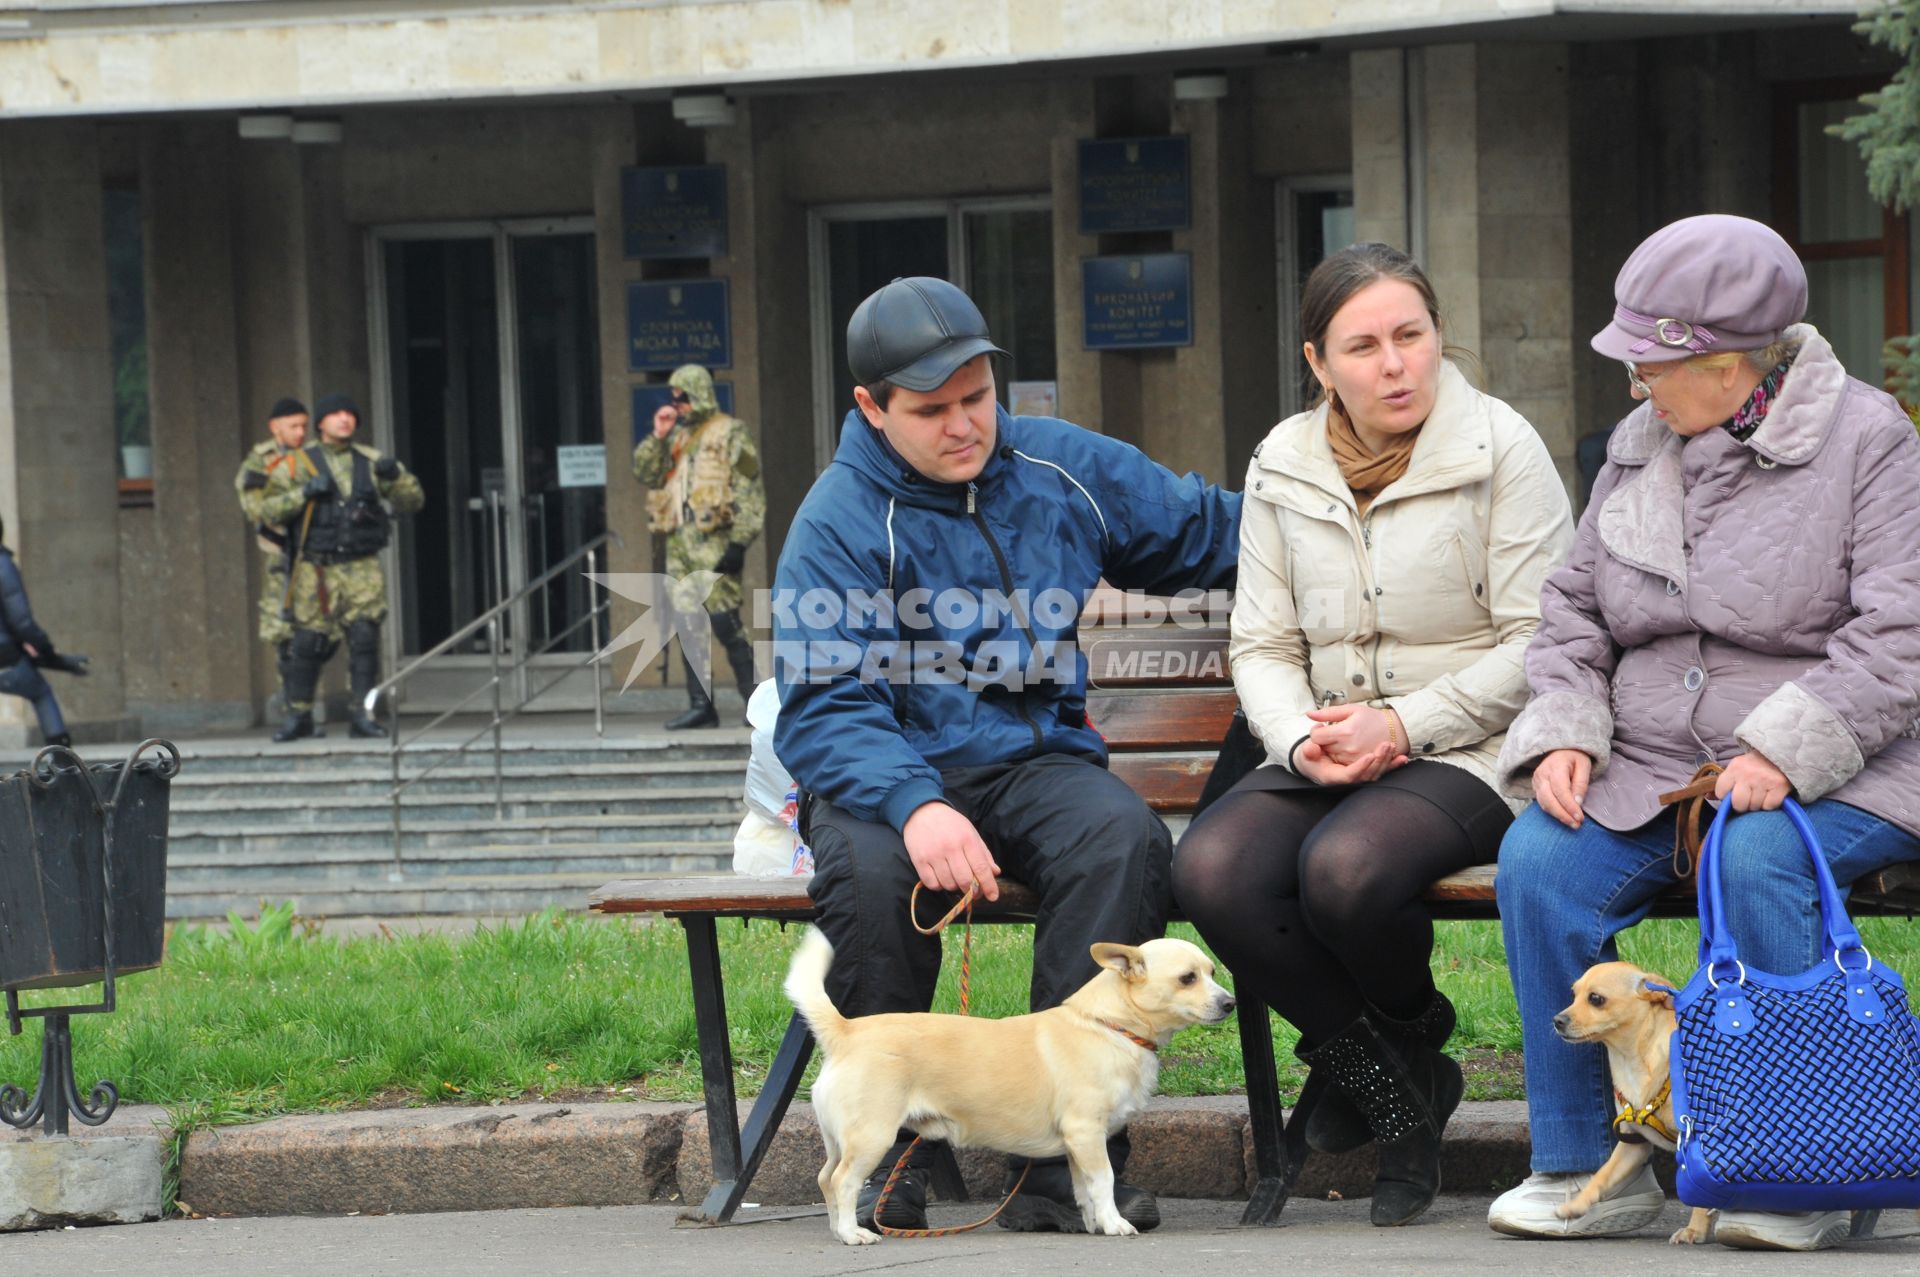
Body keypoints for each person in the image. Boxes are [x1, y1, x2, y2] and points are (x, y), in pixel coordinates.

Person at [1486, 214, 1920, 1252]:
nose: (1635, 386)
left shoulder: (1870, 440)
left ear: (1726, 366)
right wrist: (1567, 732)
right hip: (1652, 764)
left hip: (1843, 763)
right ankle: (1592, 1161)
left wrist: (1785, 749)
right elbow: (1573, 613)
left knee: (1759, 851)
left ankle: (1804, 1160)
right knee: (1540, 859)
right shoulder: (1638, 451)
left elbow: (1900, 631)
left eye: (1650, 364)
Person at [773, 276, 1241, 1235]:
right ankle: (897, 1158)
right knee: (869, 877)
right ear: (871, 407)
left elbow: (1208, 530)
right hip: (887, 774)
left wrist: (1345, 497)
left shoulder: (1059, 463)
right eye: (931, 409)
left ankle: (1073, 1167)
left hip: (1035, 761)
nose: (963, 425)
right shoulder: (835, 520)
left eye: (977, 397)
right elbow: (823, 704)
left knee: (1121, 836)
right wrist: (914, 802)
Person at [1170, 243, 1575, 1227]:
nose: (1395, 363)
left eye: (1412, 335)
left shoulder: (1500, 446)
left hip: (1473, 744)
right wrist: (1299, 741)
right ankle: (1405, 1072)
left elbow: (1541, 641)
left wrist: (1405, 722)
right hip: (1332, 736)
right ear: (1320, 362)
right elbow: (1261, 641)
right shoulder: (1284, 460)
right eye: (1365, 345)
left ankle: (1403, 1056)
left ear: (1438, 337)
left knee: (1343, 868)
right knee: (1210, 869)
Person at [257, 393, 425, 742]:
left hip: (361, 567)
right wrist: (304, 493)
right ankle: (299, 715)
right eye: (335, 414)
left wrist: (396, 477)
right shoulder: (296, 464)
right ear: (320, 422)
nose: (345, 419)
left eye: (350, 413)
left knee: (364, 638)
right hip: (315, 569)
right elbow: (268, 511)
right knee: (307, 642)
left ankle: (362, 715)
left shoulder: (371, 460)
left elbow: (413, 501)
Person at [632, 364, 764, 729]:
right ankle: (701, 706)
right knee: (688, 625)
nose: (678, 403)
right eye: (674, 397)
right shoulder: (675, 437)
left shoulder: (731, 432)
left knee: (725, 623)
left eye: (683, 396)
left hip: (716, 546)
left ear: (700, 393)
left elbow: (751, 492)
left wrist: (739, 542)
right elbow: (645, 473)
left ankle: (756, 706)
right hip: (680, 548)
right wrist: (658, 435)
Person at [233, 396, 312, 722]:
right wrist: (303, 496)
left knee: (325, 633)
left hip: (319, 557)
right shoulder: (259, 463)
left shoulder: (313, 458)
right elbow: (258, 509)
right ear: (274, 427)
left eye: (305, 426)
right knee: (284, 634)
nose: (300, 432)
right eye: (293, 426)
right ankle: (294, 708)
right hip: (283, 557)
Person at [0, 515, 83, 748]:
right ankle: (61, 761)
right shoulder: (3, 564)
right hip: (5, 658)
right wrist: (44, 648)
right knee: (42, 693)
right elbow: (21, 620)